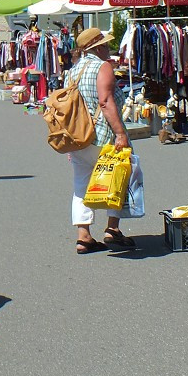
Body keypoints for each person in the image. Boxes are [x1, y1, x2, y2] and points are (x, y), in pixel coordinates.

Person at [65, 27, 133, 255]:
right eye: (106, 44)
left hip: (79, 136)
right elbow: (105, 102)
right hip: (103, 134)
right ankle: (112, 228)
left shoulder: (73, 71)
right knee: (121, 176)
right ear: (99, 46)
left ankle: (83, 236)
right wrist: (121, 133)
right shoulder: (102, 67)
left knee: (81, 185)